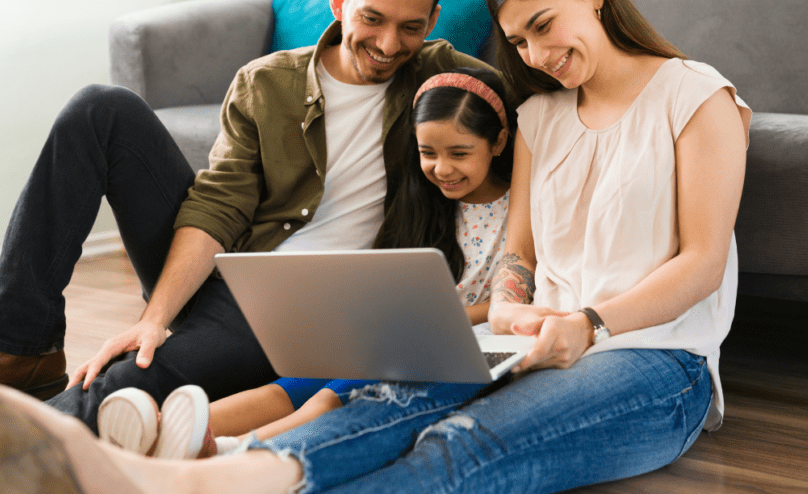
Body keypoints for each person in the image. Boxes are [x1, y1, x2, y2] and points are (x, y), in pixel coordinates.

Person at [0, 0, 753, 494]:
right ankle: (117, 434)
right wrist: (509, 303)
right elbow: (523, 256)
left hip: (645, 354)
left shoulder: (680, 95)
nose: (536, 55)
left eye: (543, 27)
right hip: (462, 322)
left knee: (444, 435)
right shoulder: (531, 114)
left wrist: (582, 321)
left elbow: (699, 262)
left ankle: (157, 476)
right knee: (377, 394)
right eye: (521, 41)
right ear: (338, 1)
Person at [0, 0, 490, 493]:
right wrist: (154, 319)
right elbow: (218, 204)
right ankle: (18, 349)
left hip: (309, 317)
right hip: (234, 269)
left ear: (433, 21)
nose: (389, 45)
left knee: (123, 380)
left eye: (410, 27)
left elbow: (537, 100)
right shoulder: (267, 83)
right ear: (339, 1)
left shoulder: (449, 80)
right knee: (101, 110)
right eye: (372, 18)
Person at [94, 68, 515, 459]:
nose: (442, 169)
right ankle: (159, 430)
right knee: (289, 387)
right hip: (400, 335)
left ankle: (228, 450)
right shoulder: (424, 203)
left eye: (459, 153)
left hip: (469, 346)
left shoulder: (518, 212)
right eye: (428, 153)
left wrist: (439, 319)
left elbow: (512, 302)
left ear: (497, 143)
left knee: (330, 397)